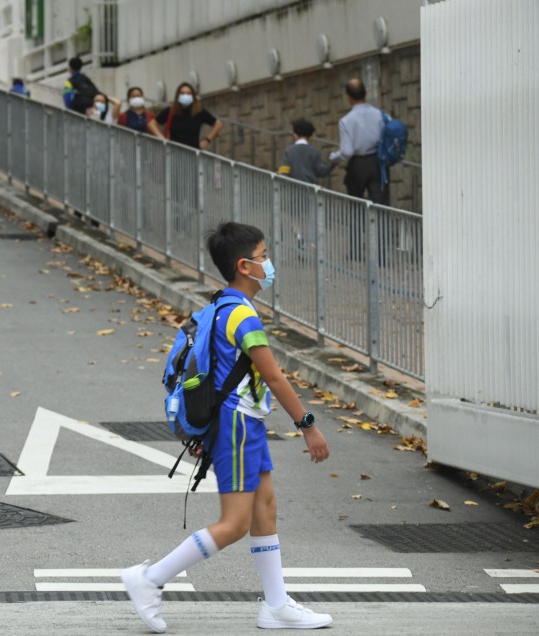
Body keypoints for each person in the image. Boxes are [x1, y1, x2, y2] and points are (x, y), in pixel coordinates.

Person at [121, 221, 332, 633]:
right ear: (244, 266)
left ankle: (276, 606)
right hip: (237, 425)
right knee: (234, 523)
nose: (269, 264)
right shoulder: (241, 315)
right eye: (263, 256)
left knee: (265, 507)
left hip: (242, 422)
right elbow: (274, 377)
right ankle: (148, 580)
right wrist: (307, 425)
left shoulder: (221, 305)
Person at [328, 79, 388, 259]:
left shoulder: (346, 120)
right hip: (377, 163)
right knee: (381, 208)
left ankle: (355, 252)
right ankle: (382, 254)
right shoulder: (379, 114)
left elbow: (347, 151)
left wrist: (334, 157)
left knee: (356, 207)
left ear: (348, 97)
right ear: (366, 93)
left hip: (358, 165)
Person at [278, 119, 335, 249]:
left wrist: (280, 177)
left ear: (295, 134)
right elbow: (321, 171)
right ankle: (311, 242)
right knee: (311, 216)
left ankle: (299, 237)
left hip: (294, 189)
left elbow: (284, 171)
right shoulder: (314, 151)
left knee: (294, 216)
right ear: (310, 135)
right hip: (311, 190)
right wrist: (333, 164)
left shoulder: (289, 151)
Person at [155, 83, 222, 150]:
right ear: (178, 95)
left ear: (193, 96)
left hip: (193, 154)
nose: (185, 96)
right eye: (182, 93)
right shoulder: (171, 111)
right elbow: (152, 123)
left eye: (189, 93)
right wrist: (161, 137)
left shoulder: (199, 112)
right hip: (174, 154)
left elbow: (218, 124)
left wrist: (207, 140)